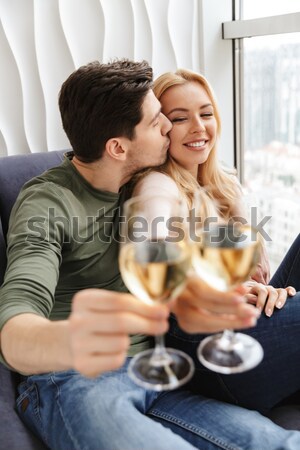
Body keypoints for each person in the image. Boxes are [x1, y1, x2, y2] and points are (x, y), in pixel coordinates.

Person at [0, 59, 299, 450]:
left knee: (279, 444)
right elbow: (16, 325)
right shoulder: (47, 203)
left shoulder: (144, 182)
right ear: (119, 147)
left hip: (157, 376)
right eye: (159, 120)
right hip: (75, 378)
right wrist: (72, 339)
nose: (168, 129)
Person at [132, 67, 300, 414]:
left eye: (206, 114)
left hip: (244, 317)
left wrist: (268, 288)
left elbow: (256, 270)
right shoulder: (158, 185)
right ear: (162, 129)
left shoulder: (220, 181)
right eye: (180, 119)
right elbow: (157, 247)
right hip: (206, 343)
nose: (199, 127)